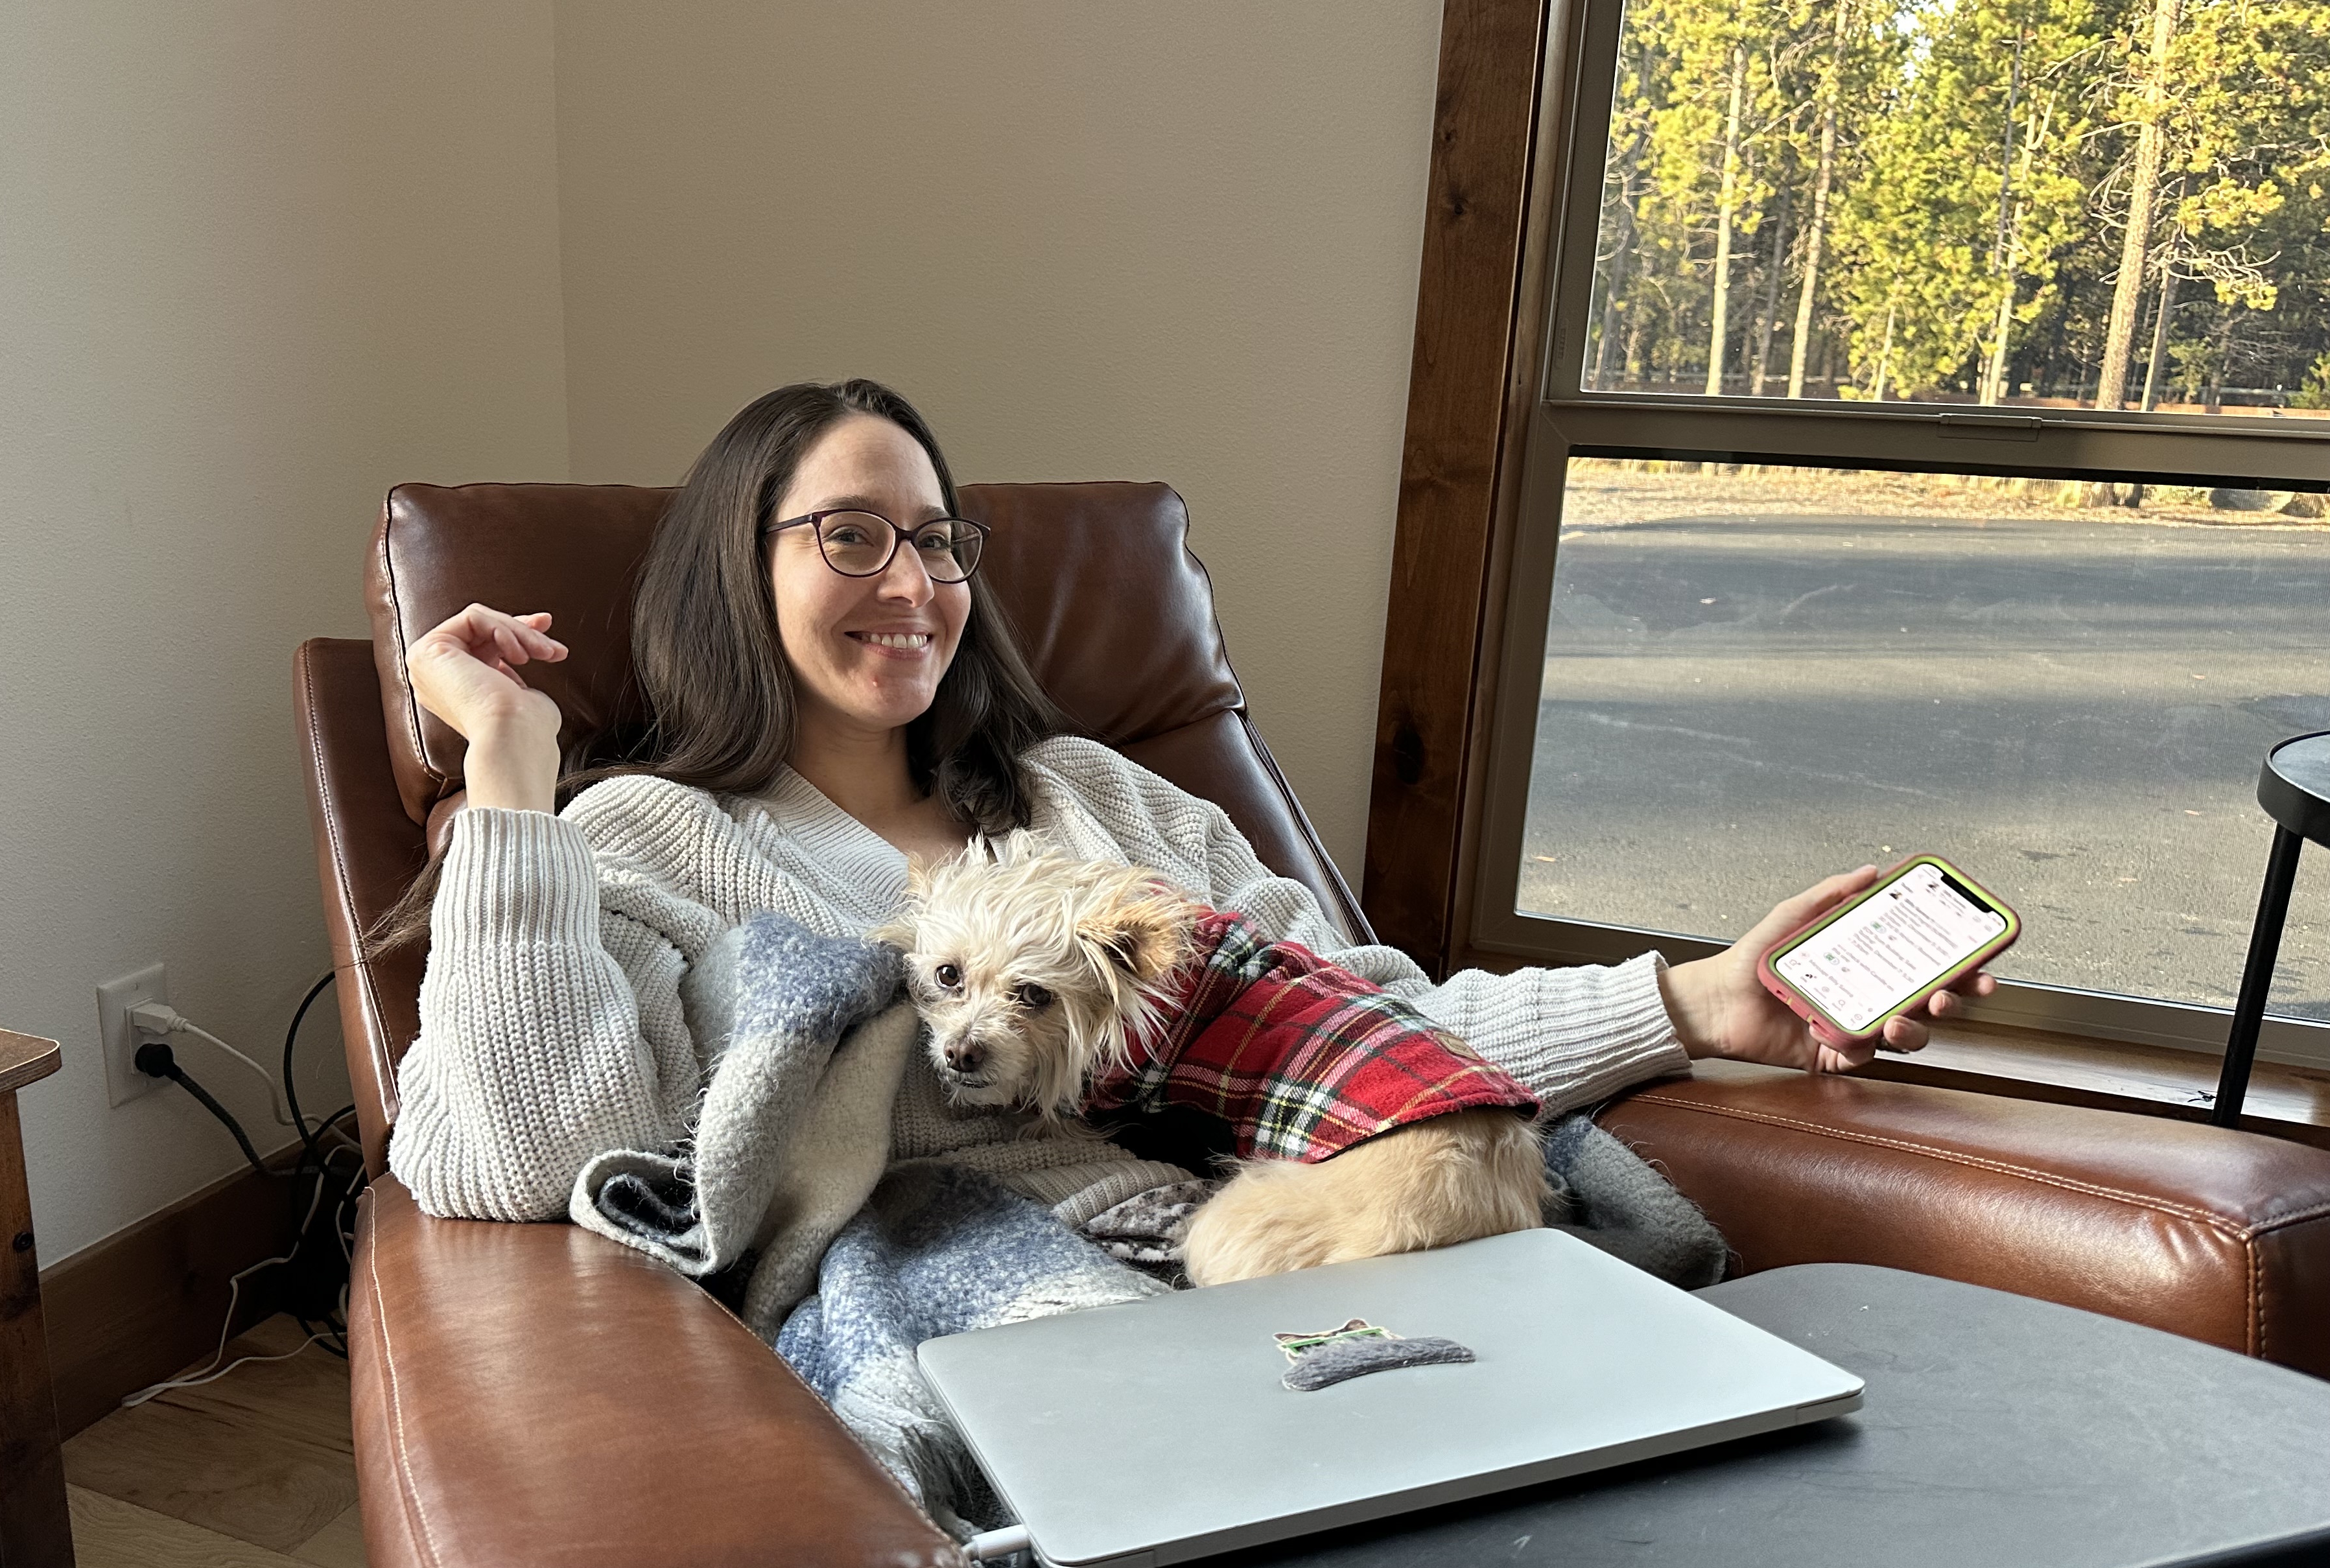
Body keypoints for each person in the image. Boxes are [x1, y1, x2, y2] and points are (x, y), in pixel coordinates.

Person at [382, 376, 1992, 1237]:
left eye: (939, 541)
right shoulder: (636, 842)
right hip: (1025, 1302)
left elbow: (1364, 1030)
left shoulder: (1094, 797)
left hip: (1316, 1250)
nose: (915, 584)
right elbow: (538, 1156)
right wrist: (510, 769)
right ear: (737, 568)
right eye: (852, 537)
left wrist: (1698, 1002)